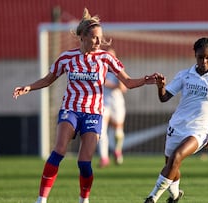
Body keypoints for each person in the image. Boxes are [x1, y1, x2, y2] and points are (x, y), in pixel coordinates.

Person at [13, 8, 158, 203]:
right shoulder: (67, 58)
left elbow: (128, 82)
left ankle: (84, 199)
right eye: (95, 38)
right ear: (82, 37)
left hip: (94, 114)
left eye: (100, 38)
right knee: (59, 150)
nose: (99, 42)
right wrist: (29, 87)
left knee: (84, 162)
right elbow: (48, 79)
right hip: (70, 110)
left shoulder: (106, 58)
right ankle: (41, 199)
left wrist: (147, 80)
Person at [144, 37, 208, 203]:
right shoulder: (184, 75)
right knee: (172, 165)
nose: (204, 61)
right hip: (176, 127)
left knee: (177, 157)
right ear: (195, 56)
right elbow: (164, 98)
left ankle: (152, 198)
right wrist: (161, 87)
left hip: (199, 132)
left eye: (207, 57)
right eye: (200, 57)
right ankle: (175, 195)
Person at [98, 47, 127, 167]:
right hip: (102, 102)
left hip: (116, 102)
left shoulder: (118, 69)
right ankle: (104, 158)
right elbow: (100, 82)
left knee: (118, 130)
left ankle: (117, 151)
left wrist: (118, 80)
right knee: (101, 130)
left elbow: (123, 88)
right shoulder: (99, 69)